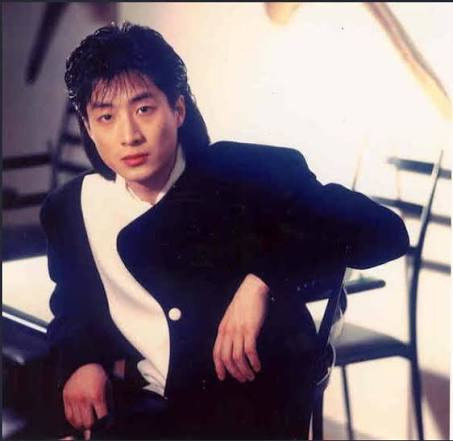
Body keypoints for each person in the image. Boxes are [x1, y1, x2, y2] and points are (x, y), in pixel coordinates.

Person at [40, 22, 409, 440]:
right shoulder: (72, 207)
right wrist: (81, 361)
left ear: (178, 109)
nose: (129, 136)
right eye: (106, 117)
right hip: (141, 407)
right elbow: (72, 307)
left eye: (144, 109)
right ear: (89, 128)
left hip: (242, 416)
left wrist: (262, 280)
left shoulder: (241, 172)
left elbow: (383, 231)